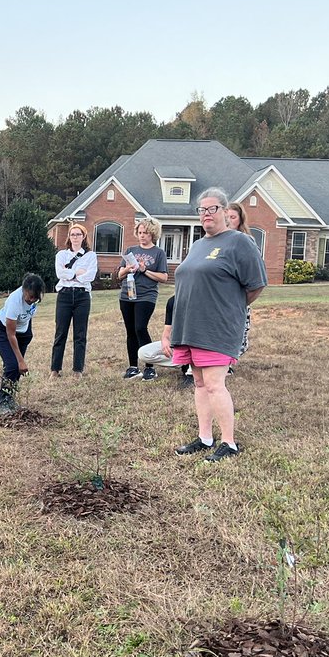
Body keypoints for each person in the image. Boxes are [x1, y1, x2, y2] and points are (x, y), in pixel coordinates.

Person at [166, 188, 267, 461]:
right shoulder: (198, 245)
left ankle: (229, 442)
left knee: (214, 384)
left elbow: (256, 285)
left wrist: (230, 306)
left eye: (212, 209)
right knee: (198, 383)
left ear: (224, 211)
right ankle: (205, 437)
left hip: (218, 326)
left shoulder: (239, 242)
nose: (206, 214)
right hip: (191, 326)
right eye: (202, 210)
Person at [117, 218, 168, 381]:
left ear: (152, 233)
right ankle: (133, 367)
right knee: (130, 330)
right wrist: (128, 268)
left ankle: (150, 367)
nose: (142, 236)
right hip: (127, 295)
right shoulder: (130, 250)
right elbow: (119, 275)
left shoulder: (158, 253)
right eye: (139, 233)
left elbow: (164, 277)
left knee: (140, 328)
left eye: (145, 233)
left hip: (146, 296)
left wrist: (145, 270)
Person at [0, 273, 46, 413]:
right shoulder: (14, 301)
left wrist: (28, 334)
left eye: (36, 297)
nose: (32, 300)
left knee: (16, 369)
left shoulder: (34, 299)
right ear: (24, 290)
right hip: (4, 330)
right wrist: (21, 360)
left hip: (22, 333)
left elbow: (28, 316)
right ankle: (4, 403)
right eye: (30, 296)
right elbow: (11, 334)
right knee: (12, 365)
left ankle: (11, 399)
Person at [50, 223, 98, 377]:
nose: (75, 237)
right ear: (69, 237)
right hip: (64, 295)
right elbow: (60, 274)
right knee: (60, 332)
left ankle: (78, 369)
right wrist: (77, 273)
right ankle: (55, 369)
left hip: (82, 296)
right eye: (72, 234)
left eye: (78, 234)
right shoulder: (61, 255)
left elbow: (90, 276)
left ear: (83, 237)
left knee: (80, 333)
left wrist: (71, 273)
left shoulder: (90, 255)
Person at [225, 203, 255, 362]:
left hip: (238, 292)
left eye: (233, 217)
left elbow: (253, 274)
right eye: (226, 217)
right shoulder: (215, 239)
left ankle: (230, 359)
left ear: (240, 220)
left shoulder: (246, 240)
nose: (229, 221)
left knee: (237, 328)